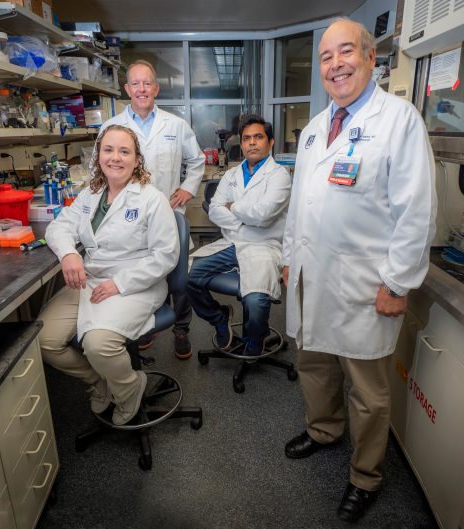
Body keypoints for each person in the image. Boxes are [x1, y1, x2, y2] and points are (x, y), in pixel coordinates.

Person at [281, 19, 437, 523]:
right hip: (309, 276)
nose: (335, 64)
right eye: (326, 58)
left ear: (371, 57)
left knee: (368, 390)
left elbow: (417, 210)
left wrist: (398, 282)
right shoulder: (311, 131)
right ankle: (324, 429)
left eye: (345, 52)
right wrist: (288, 259)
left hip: (366, 285)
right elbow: (298, 207)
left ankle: (366, 476)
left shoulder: (399, 120)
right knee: (313, 365)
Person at [38, 125, 179, 425]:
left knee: (98, 344)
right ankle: (102, 381)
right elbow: (58, 227)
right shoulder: (90, 194)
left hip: (136, 284)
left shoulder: (151, 199)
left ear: (137, 160)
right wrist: (69, 253)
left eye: (124, 151)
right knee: (44, 339)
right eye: (109, 150)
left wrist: (119, 283)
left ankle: (129, 388)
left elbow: (166, 255)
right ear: (99, 156)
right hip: (90, 280)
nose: (116, 158)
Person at [100, 59, 205, 360]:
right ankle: (143, 328)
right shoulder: (111, 127)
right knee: (135, 271)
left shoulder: (175, 125)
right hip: (128, 217)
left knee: (177, 272)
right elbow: (101, 168)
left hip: (170, 214)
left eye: (147, 83)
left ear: (156, 88)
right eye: (136, 83)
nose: (142, 89)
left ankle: (181, 328)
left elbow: (196, 161)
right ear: (127, 89)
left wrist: (188, 188)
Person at [187, 115, 291, 356]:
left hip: (264, 246)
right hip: (232, 243)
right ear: (241, 143)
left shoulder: (280, 176)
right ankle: (220, 317)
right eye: (247, 138)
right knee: (189, 277)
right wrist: (246, 218)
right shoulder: (231, 175)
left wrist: (233, 207)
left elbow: (264, 215)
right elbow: (214, 210)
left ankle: (255, 341)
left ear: (270, 142)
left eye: (258, 137)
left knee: (255, 301)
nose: (252, 143)